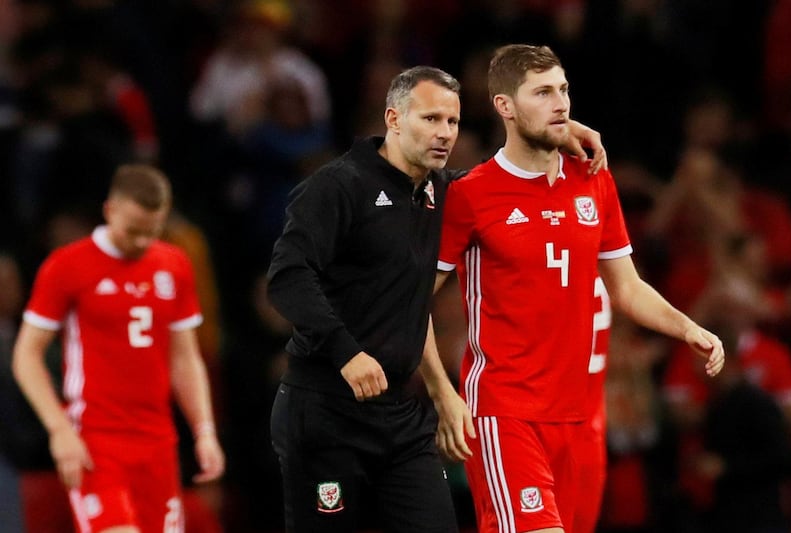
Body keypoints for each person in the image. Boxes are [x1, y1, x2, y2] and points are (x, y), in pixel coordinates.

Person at [266, 64, 606, 532]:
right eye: (430, 119)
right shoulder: (339, 185)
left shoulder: (442, 191)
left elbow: (504, 178)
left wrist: (558, 128)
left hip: (402, 418)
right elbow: (287, 277)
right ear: (393, 119)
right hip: (326, 408)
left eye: (452, 121)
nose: (444, 133)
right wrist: (346, 352)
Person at [432, 44, 725, 533]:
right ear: (504, 106)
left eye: (563, 90)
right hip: (505, 412)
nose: (561, 103)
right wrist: (444, 394)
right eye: (542, 92)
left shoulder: (593, 179)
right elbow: (416, 298)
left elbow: (627, 288)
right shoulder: (470, 194)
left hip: (577, 416)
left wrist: (688, 327)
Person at [11, 164, 225, 533]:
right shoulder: (67, 266)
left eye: (152, 231)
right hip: (95, 441)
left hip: (158, 443)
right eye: (132, 231)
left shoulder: (173, 265)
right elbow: (26, 355)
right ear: (110, 211)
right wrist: (59, 429)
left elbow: (184, 357)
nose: (141, 242)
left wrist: (204, 430)